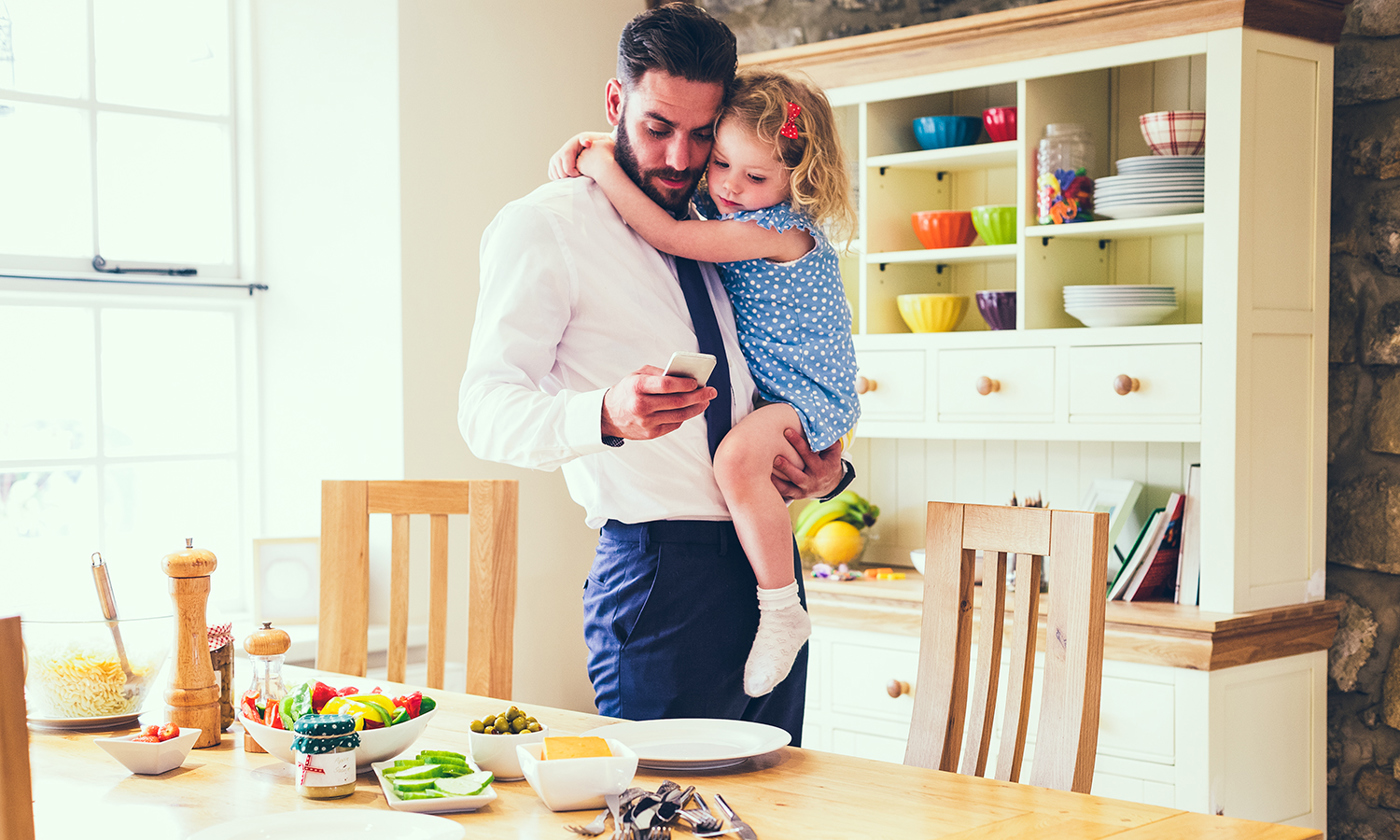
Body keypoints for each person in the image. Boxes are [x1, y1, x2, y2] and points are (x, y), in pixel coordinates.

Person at [457, 4, 851, 743]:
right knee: (658, 801)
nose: (680, 157)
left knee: (778, 798)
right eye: (657, 127)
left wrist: (826, 471)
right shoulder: (547, 226)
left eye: (703, 135)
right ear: (616, 101)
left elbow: (778, 361)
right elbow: (483, 411)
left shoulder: (723, 215)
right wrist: (604, 414)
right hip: (660, 578)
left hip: (769, 569)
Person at [548, 67, 859, 698]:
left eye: (756, 177)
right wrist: (612, 146)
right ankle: (780, 604)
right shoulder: (567, 226)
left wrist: (603, 162)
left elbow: (669, 235)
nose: (730, 186)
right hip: (661, 557)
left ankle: (783, 612)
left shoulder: (772, 230)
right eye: (720, 163)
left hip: (806, 398)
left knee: (736, 460)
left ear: (796, 180)